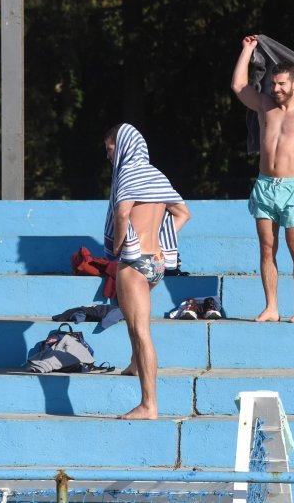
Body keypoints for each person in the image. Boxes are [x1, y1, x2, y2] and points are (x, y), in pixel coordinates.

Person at [104, 123, 190, 420]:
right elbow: (182, 213)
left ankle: (148, 404)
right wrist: (164, 242)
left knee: (141, 331)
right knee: (134, 322)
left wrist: (120, 244)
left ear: (123, 144)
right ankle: (134, 363)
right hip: (155, 261)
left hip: (134, 261)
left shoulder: (128, 173)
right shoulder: (155, 174)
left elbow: (123, 212)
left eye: (110, 148)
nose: (108, 155)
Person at [231, 35, 294, 323]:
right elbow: (239, 86)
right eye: (273, 83)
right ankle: (271, 307)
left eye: (282, 84)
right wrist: (247, 50)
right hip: (265, 185)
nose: (276, 88)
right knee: (267, 248)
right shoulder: (264, 106)